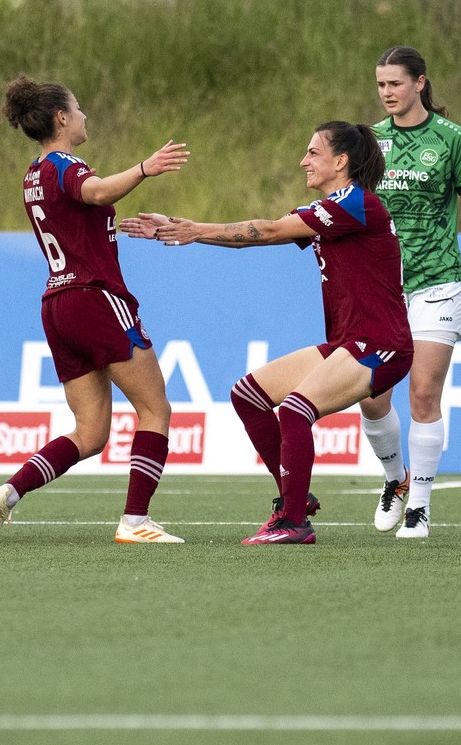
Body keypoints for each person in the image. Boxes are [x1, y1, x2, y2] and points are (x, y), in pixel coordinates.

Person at [123, 121, 413, 545]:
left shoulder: (356, 203)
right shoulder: (336, 207)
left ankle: (293, 521)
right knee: (248, 395)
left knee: (296, 410)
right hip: (347, 344)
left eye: (313, 152)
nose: (304, 160)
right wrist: (179, 229)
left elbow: (271, 230)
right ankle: (292, 496)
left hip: (381, 345)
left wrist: (193, 230)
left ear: (341, 161)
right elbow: (261, 234)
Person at [0, 78, 190, 545]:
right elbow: (94, 193)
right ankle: (135, 522)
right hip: (96, 298)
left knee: (90, 433)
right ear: (61, 119)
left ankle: (7, 494)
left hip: (58, 303)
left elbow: (84, 212)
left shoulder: (34, 173)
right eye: (79, 107)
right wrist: (144, 168)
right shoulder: (64, 163)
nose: (86, 114)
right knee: (156, 409)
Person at [360, 46, 461, 538]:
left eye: (395, 83)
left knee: (423, 394)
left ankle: (419, 508)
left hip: (438, 282)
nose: (387, 93)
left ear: (420, 83)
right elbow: (351, 209)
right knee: (370, 396)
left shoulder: (452, 139)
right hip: (381, 287)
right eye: (381, 84)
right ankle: (394, 479)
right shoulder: (368, 143)